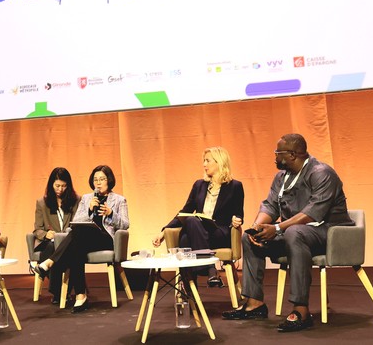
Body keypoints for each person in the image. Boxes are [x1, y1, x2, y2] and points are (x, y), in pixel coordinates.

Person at [222, 133, 354, 333]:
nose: (275, 156)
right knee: (249, 239)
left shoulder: (322, 173)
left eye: (278, 152)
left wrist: (277, 228)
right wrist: (257, 227)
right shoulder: (282, 177)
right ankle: (254, 303)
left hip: (329, 232)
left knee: (294, 233)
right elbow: (270, 206)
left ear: (292, 155)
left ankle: (301, 310)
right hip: (295, 232)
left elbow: (313, 212)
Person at [33, 164, 129, 313]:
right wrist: (89, 210)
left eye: (102, 179)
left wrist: (111, 214)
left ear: (109, 180)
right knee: (77, 244)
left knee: (77, 237)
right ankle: (80, 296)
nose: (98, 183)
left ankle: (51, 261)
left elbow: (125, 224)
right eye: (95, 179)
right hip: (86, 238)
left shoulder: (119, 200)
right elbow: (76, 221)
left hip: (106, 238)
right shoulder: (86, 198)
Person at [152, 146, 244, 287]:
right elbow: (185, 211)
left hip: (218, 233)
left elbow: (239, 214)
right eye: (204, 161)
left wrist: (237, 220)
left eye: (208, 161)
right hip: (198, 232)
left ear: (219, 162)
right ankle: (210, 270)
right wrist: (163, 232)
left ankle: (188, 288)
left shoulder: (235, 186)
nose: (204, 164)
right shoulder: (199, 185)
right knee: (189, 228)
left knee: (187, 235)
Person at [32, 167, 79, 304]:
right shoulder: (42, 203)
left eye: (64, 186)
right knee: (52, 247)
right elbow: (37, 230)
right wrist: (46, 234)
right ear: (51, 184)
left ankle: (56, 291)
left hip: (68, 241)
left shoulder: (76, 200)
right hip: (49, 242)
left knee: (64, 249)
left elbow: (78, 224)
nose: (60, 189)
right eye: (57, 186)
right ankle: (61, 292)